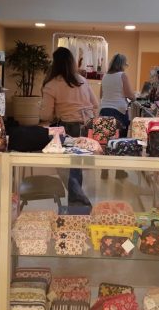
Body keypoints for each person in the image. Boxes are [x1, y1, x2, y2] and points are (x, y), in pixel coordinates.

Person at [40, 47, 99, 206]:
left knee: (64, 165)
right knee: (76, 166)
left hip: (64, 127)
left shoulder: (52, 84)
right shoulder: (82, 80)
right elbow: (95, 104)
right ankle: (77, 201)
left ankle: (79, 199)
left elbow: (45, 115)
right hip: (85, 127)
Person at [99, 53, 136, 133]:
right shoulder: (122, 75)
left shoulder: (105, 76)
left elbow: (101, 95)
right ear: (122, 64)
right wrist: (134, 97)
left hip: (104, 110)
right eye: (125, 64)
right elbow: (130, 95)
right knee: (119, 137)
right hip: (118, 112)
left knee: (105, 136)